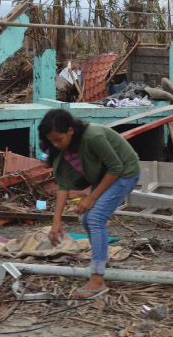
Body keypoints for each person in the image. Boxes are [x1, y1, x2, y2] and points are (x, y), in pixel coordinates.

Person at [38, 109, 140, 299]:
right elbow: (63, 185)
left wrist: (91, 197)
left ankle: (98, 279)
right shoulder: (63, 150)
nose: (55, 145)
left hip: (125, 172)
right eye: (51, 141)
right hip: (106, 176)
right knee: (86, 220)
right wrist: (56, 221)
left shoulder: (93, 137)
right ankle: (103, 264)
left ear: (70, 130)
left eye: (58, 139)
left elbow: (116, 167)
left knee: (95, 218)